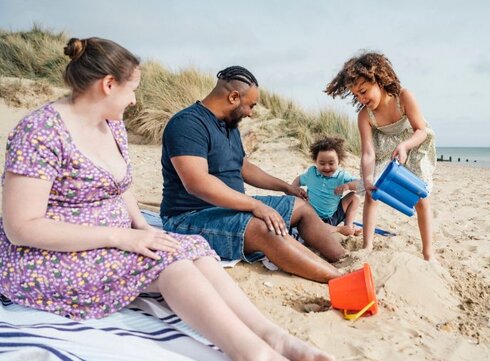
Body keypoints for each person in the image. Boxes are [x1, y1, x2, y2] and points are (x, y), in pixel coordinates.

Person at [0, 37, 333, 361]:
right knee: (171, 264)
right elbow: (21, 228)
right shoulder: (40, 133)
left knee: (194, 250)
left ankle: (274, 337)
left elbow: (121, 186)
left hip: (114, 239)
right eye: (132, 90)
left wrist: (143, 225)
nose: (134, 101)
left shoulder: (111, 126)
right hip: (52, 255)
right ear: (109, 84)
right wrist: (122, 235)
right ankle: (252, 353)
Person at [160, 66, 345, 283]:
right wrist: (254, 205)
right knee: (264, 227)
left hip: (230, 207)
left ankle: (343, 259)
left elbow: (243, 167)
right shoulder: (187, 124)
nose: (250, 112)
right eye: (250, 105)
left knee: (300, 207)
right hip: (190, 215)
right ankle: (338, 279)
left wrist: (285, 187)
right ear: (234, 97)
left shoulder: (229, 127)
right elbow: (197, 182)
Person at [325, 52, 437, 261]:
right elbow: (368, 152)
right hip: (385, 148)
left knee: (421, 197)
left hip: (412, 143)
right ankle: (367, 245)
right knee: (371, 193)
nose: (361, 99)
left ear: (379, 80)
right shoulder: (364, 116)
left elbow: (420, 130)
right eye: (356, 95)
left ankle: (428, 253)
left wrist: (405, 146)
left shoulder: (403, 97)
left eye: (364, 91)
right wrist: (367, 179)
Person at [291, 137, 362, 237]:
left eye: (331, 163)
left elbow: (361, 185)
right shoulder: (312, 173)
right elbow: (299, 179)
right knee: (313, 227)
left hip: (333, 216)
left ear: (339, 162)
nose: (327, 167)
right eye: (322, 163)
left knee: (354, 197)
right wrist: (293, 189)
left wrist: (348, 185)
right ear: (315, 161)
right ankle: (341, 229)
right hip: (312, 217)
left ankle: (348, 227)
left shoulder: (342, 176)